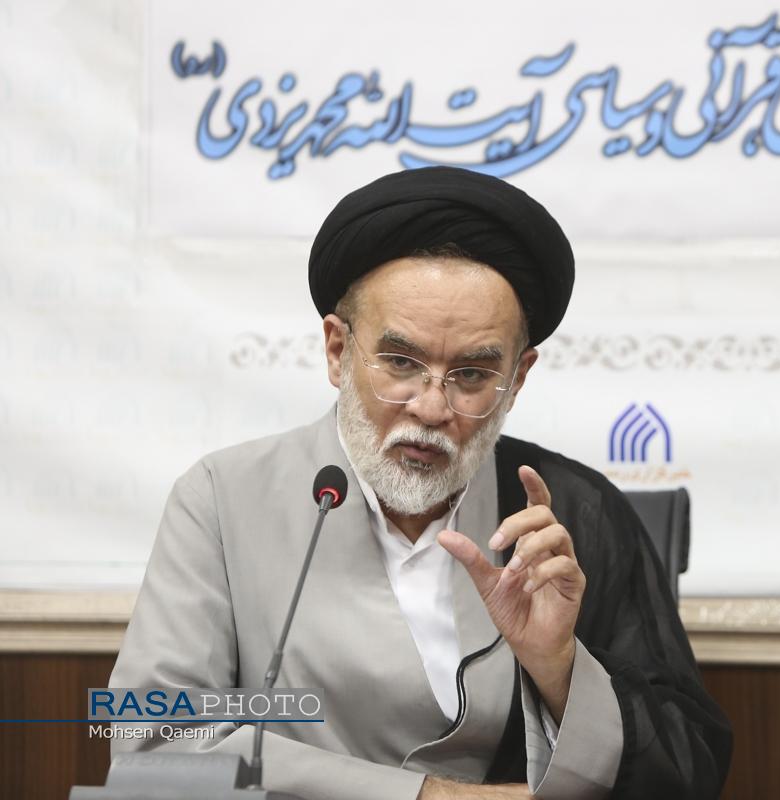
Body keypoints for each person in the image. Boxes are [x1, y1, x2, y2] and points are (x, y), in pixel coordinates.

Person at [110, 167, 733, 799]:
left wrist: (559, 668)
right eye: (401, 363)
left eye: (471, 375)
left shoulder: (572, 514)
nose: (432, 409)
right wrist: (432, 797)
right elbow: (151, 744)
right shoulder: (223, 499)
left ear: (517, 378)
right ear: (337, 350)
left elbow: (689, 768)